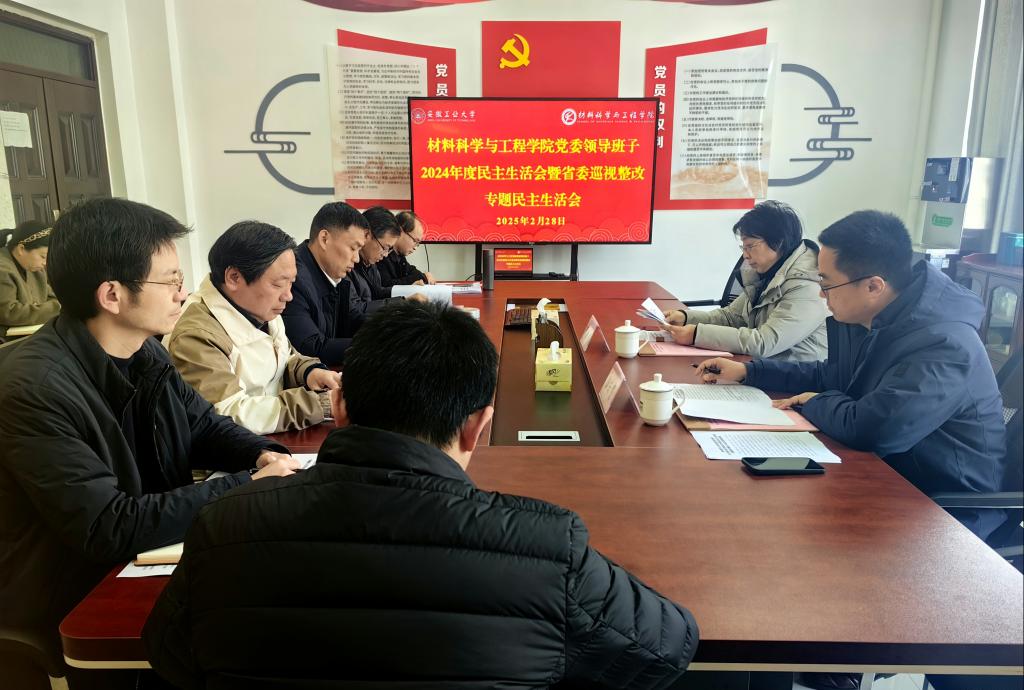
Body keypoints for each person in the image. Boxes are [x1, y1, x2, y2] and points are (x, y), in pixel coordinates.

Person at [143, 300, 699, 689]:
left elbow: (169, 655)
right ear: (477, 427)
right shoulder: (548, 546)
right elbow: (670, 646)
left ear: (339, 407)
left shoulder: (223, 525)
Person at [0, 198, 300, 690]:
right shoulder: (33, 388)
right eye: (171, 281)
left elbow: (203, 426)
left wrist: (263, 454)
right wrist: (247, 485)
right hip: (75, 600)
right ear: (112, 295)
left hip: (149, 563)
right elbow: (107, 526)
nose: (184, 293)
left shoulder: (146, 354)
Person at [697, 210, 1008, 539]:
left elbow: (874, 429)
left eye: (827, 284)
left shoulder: (944, 343)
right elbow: (832, 376)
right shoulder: (877, 317)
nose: (821, 294)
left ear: (873, 286)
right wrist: (749, 371)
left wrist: (814, 403)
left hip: (944, 513)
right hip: (885, 479)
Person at [166, 221, 340, 434]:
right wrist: (320, 404)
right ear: (234, 278)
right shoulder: (196, 335)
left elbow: (284, 357)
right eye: (278, 284)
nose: (288, 295)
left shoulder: (258, 308)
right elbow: (228, 413)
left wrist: (309, 372)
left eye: (291, 283)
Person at [664, 200, 828, 362]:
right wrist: (686, 318)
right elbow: (731, 317)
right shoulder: (768, 273)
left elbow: (764, 342)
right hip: (760, 366)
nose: (745, 255)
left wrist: (696, 334)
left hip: (793, 376)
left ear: (778, 242)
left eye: (750, 246)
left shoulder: (807, 285)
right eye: (743, 247)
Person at [281, 201, 368, 366]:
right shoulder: (294, 278)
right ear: (324, 239)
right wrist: (375, 348)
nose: (357, 258)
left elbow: (353, 319)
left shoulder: (336, 275)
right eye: (352, 248)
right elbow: (310, 347)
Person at [0, 219, 60, 335]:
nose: (45, 263)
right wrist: (57, 307)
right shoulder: (3, 270)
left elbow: (51, 295)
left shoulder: (34, 268)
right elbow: (8, 313)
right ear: (21, 249)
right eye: (43, 256)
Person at [348, 205, 403, 306]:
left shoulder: (370, 264)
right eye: (384, 247)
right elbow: (354, 310)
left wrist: (406, 293)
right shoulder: (347, 265)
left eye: (389, 250)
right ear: (367, 235)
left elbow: (377, 293)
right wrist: (401, 302)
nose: (385, 255)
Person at [377, 210, 436, 287]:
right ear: (400, 231)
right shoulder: (381, 254)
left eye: (418, 244)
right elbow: (386, 285)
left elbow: (412, 271)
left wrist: (423, 276)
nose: (415, 248)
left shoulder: (400, 257)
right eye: (415, 241)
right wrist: (422, 277)